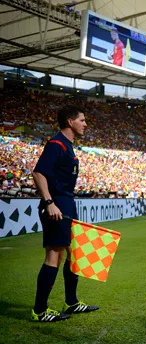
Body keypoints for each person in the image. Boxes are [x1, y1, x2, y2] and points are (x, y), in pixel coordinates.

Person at [31, 106, 98, 322]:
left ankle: (71, 302)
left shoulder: (67, 146)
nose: (85, 124)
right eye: (82, 120)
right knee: (54, 257)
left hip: (66, 204)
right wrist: (49, 202)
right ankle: (40, 311)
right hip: (57, 205)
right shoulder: (56, 144)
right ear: (70, 122)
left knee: (75, 253)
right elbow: (39, 172)